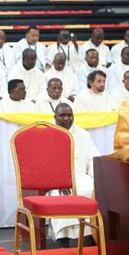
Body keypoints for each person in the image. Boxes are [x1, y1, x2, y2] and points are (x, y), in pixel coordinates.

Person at [51, 103, 99, 247]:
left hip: (81, 178)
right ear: (55, 117)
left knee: (93, 190)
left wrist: (97, 179)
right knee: (60, 196)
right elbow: (44, 164)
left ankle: (91, 235)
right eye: (62, 115)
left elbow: (93, 159)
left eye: (69, 115)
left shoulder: (83, 134)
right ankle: (63, 239)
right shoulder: (48, 134)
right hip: (56, 181)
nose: (66, 118)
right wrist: (60, 181)